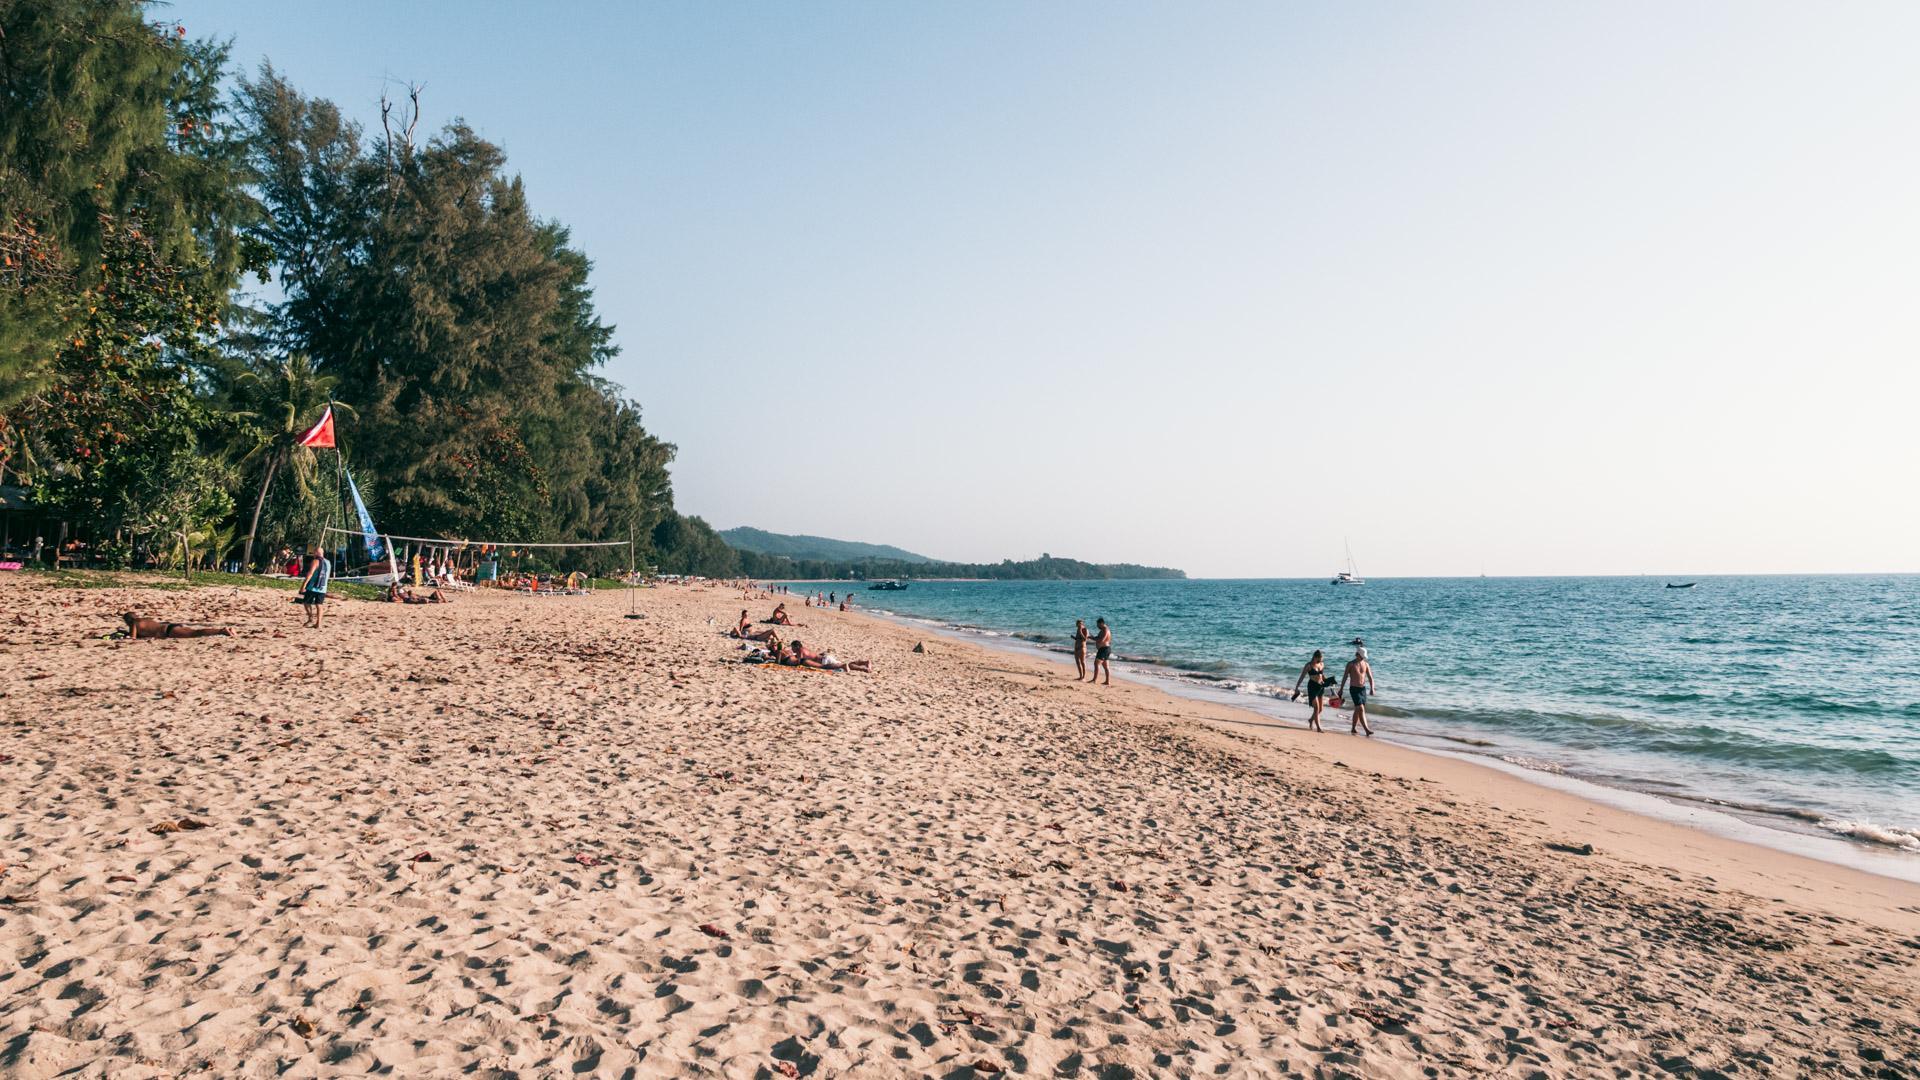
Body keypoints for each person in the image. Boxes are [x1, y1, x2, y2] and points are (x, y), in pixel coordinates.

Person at [1290, 649, 1330, 732]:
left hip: (1321, 687)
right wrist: (1297, 687)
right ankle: (1319, 727)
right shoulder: (1309, 665)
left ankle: (1311, 720)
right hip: (1312, 687)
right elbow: (1302, 676)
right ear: (1316, 657)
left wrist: (1329, 681)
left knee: (1320, 709)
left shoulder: (1322, 664)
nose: (1322, 660)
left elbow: (1322, 676)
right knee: (1316, 708)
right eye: (1321, 658)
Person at [1340, 645, 1375, 736]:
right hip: (1354, 689)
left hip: (1362, 689)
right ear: (1358, 655)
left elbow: (1370, 677)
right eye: (1362, 656)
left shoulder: (1366, 664)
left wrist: (1372, 688)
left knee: (1357, 709)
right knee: (1361, 708)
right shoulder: (1350, 664)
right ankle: (1366, 729)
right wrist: (1341, 689)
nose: (1363, 658)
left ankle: (1353, 728)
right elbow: (1345, 677)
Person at [122, 612, 233, 639]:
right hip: (170, 626)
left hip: (168, 631)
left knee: (194, 633)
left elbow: (133, 638)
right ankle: (222, 630)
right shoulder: (145, 619)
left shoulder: (134, 624)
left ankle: (221, 631)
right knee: (195, 631)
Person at [299, 543, 331, 629]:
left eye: (314, 553)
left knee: (306, 602)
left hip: (313, 586)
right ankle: (318, 623)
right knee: (319, 605)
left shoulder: (315, 561)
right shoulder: (328, 562)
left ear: (316, 553)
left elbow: (310, 574)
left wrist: (303, 585)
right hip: (323, 587)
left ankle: (310, 618)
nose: (313, 554)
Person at [1089, 618, 1113, 685]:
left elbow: (1101, 640)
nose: (1097, 627)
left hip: (1104, 649)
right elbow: (1098, 638)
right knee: (1106, 666)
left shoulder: (1105, 630)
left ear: (1101, 623)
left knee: (1096, 664)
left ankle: (1094, 680)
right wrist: (1091, 637)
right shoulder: (1103, 630)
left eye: (1098, 625)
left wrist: (1092, 641)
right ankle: (1107, 681)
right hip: (1105, 649)